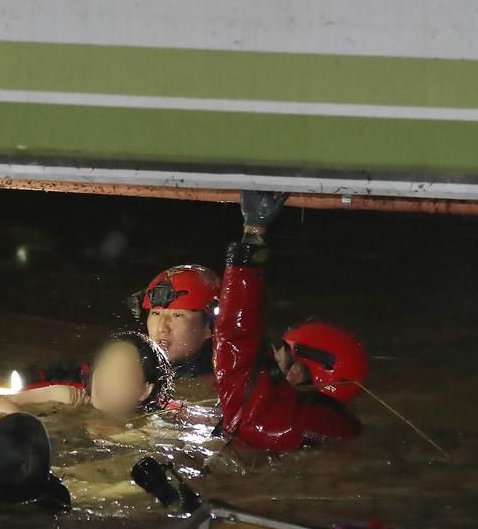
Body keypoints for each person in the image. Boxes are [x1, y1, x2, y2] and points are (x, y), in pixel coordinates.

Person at [213, 192, 367, 452]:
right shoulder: (345, 430)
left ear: (295, 372)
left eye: (280, 356)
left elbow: (234, 335)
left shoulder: (263, 414)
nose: (270, 355)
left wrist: (254, 230)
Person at [0, 332, 174, 421]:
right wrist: (31, 429)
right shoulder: (69, 398)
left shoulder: (149, 430)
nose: (106, 378)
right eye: (105, 365)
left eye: (120, 371)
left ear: (144, 390)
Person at [129, 264, 220, 378]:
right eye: (156, 313)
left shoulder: (223, 385)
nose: (162, 328)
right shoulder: (132, 369)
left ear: (209, 328)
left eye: (177, 315)